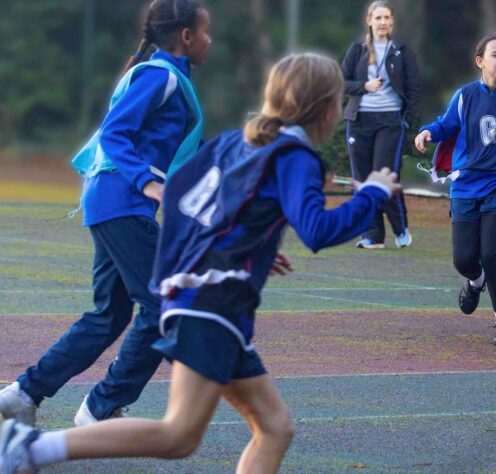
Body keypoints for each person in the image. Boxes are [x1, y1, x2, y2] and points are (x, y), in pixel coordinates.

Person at [0, 52, 401, 474]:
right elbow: (318, 230)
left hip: (206, 301)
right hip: (212, 307)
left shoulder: (236, 142)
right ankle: (29, 447)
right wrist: (373, 193)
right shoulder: (295, 156)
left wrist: (246, 244)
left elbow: (181, 198)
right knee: (178, 435)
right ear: (324, 107)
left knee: (275, 427)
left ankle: (30, 444)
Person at [0, 0, 211, 427]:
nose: (210, 40)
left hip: (112, 203)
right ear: (186, 37)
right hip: (122, 202)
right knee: (166, 305)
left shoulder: (172, 79)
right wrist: (146, 182)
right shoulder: (159, 75)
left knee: (110, 314)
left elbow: (174, 149)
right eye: (206, 32)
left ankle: (23, 395)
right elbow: (115, 133)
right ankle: (99, 408)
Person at [414, 33, 496, 347]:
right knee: (464, 259)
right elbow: (446, 125)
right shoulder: (465, 96)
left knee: (491, 253)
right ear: (480, 62)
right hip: (465, 184)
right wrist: (426, 132)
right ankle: (475, 282)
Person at [341, 0, 420, 249]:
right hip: (359, 121)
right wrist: (364, 86)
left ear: (392, 21)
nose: (383, 22)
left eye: (386, 18)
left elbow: (413, 89)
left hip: (389, 122)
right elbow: (341, 83)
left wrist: (407, 121)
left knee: (382, 177)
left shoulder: (401, 51)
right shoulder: (356, 51)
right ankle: (373, 235)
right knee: (363, 180)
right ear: (369, 21)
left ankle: (400, 228)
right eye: (378, 18)